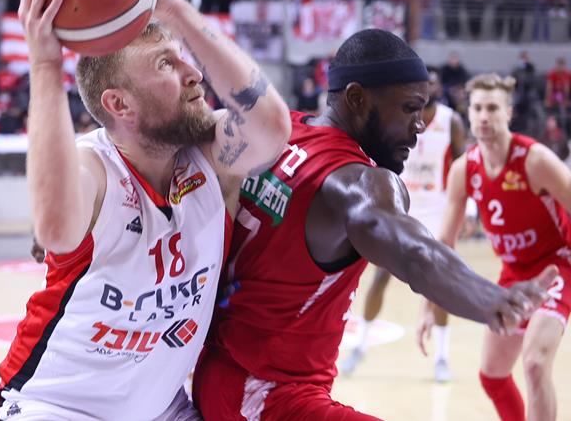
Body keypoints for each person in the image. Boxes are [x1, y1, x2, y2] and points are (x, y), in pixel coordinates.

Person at [0, 0, 290, 421]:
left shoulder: (209, 157)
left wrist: (175, 11)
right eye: (166, 64)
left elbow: (271, 128)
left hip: (163, 409)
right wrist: (44, 64)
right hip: (57, 406)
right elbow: (56, 228)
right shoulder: (94, 167)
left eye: (183, 59)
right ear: (120, 104)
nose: (194, 73)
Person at [193, 29, 557, 421]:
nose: (419, 125)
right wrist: (492, 299)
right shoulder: (358, 180)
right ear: (357, 98)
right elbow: (415, 254)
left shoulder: (280, 132)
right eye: (409, 108)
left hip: (218, 370)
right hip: (265, 392)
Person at [417, 73, 571, 421]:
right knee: (493, 376)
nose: (484, 116)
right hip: (514, 275)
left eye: (492, 108)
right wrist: (428, 304)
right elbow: (445, 244)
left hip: (556, 267)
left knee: (535, 364)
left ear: (508, 113)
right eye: (477, 109)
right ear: (469, 113)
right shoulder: (464, 170)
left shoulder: (535, 160)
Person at [340, 66, 466, 382]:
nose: (429, 88)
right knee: (381, 276)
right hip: (402, 205)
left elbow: (463, 166)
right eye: (425, 84)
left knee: (441, 283)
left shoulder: (451, 121)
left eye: (434, 83)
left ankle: (442, 357)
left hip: (438, 209)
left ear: (439, 89)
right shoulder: (401, 116)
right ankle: (361, 346)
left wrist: (467, 212)